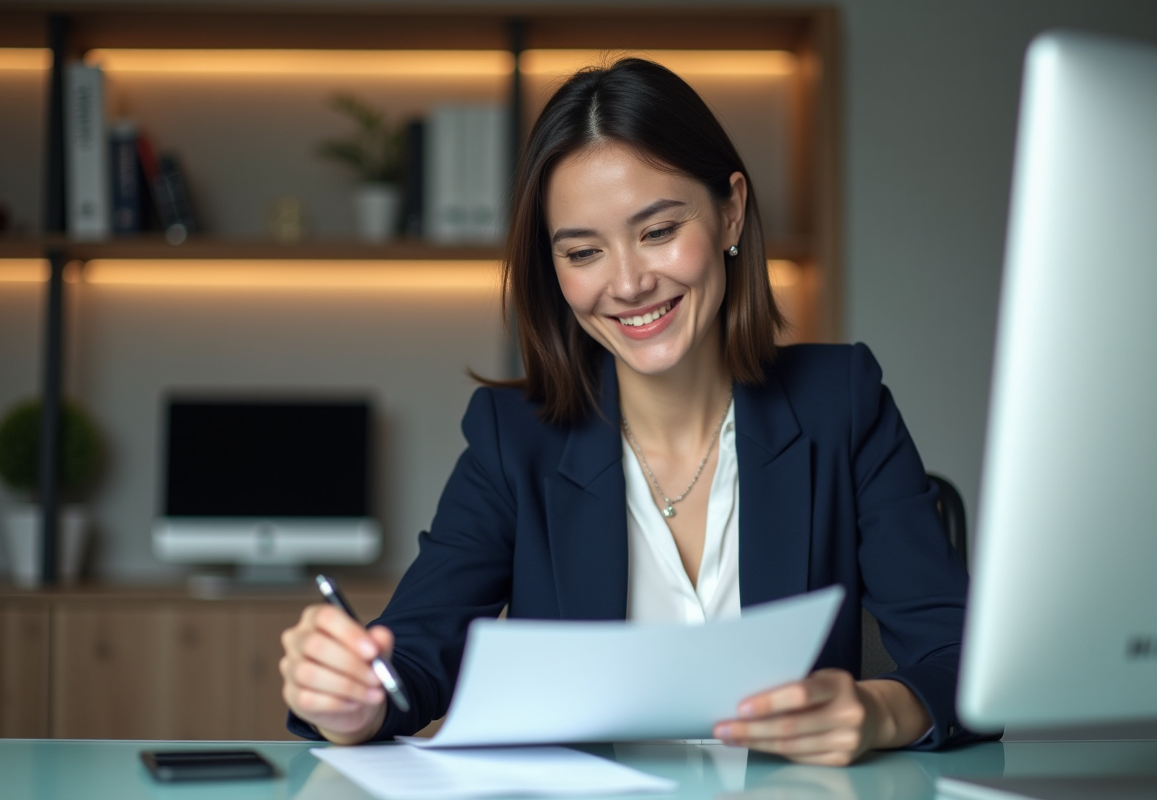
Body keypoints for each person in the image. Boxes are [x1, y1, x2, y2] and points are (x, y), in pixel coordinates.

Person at [280, 58, 980, 766]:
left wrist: (876, 711)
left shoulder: (842, 403)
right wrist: (351, 699)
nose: (628, 283)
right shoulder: (512, 440)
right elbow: (412, 666)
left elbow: (962, 657)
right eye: (583, 251)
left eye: (657, 231)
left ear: (731, 210)